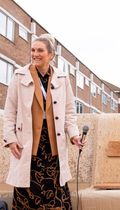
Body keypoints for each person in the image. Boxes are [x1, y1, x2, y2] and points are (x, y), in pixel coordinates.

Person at [2, 34, 86, 210]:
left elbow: (69, 112)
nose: (35, 54)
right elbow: (10, 111)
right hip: (28, 142)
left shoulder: (62, 79)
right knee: (28, 191)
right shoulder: (19, 76)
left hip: (53, 143)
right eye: (33, 50)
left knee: (55, 192)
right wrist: (10, 139)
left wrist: (74, 136)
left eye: (40, 50)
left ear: (51, 55)